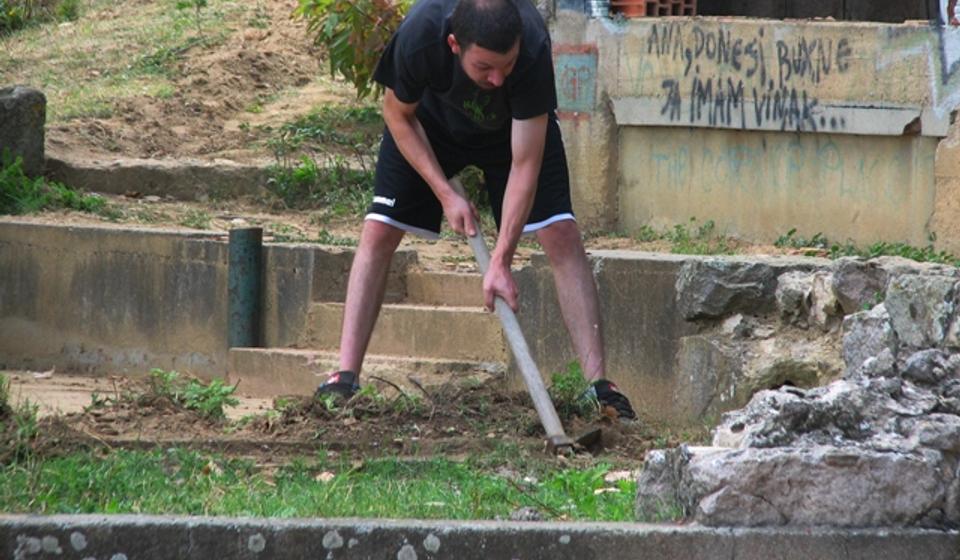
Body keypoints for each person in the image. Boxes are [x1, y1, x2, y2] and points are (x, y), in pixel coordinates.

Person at [314, 0, 636, 419]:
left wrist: (501, 260)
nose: (498, 77)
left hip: (510, 135)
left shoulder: (533, 46)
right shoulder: (421, 33)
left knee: (561, 232)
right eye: (484, 67)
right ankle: (344, 378)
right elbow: (397, 114)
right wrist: (445, 193)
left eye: (507, 65)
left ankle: (600, 388)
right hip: (426, 127)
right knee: (379, 229)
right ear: (453, 44)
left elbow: (525, 163)